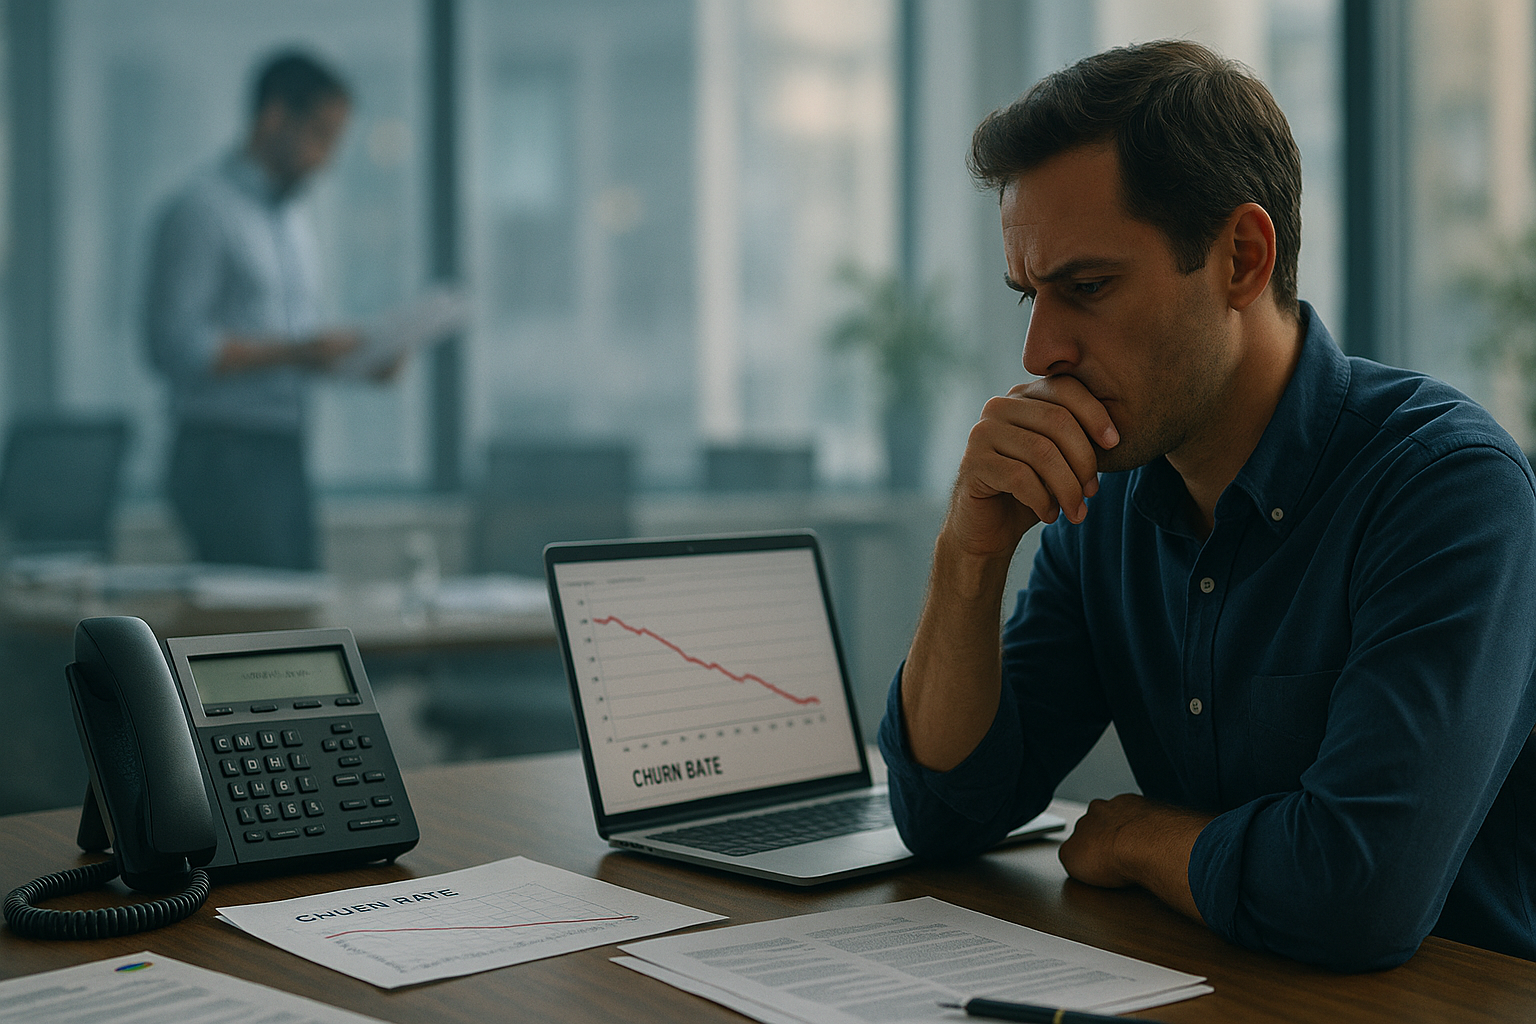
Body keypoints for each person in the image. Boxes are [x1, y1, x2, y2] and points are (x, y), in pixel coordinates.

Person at [878, 40, 1536, 972]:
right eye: (1030, 294)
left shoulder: (1447, 491)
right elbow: (946, 810)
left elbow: (1358, 893)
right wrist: (969, 555)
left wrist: (1141, 837)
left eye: (1087, 287)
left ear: (1242, 256)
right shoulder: (1104, 497)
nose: (1038, 352)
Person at [144, 50, 367, 570]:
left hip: (283, 449)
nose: (326, 159)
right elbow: (174, 346)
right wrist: (298, 352)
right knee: (259, 627)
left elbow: (290, 343)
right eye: (320, 135)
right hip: (223, 455)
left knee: (300, 615)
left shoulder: (292, 221)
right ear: (273, 117)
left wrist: (359, 358)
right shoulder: (201, 210)